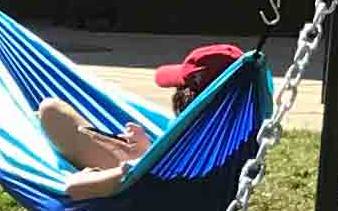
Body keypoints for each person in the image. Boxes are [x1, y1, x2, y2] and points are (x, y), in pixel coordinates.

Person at [36, 45, 245, 200]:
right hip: (166, 178)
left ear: (189, 96)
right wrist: (146, 152)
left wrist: (81, 179)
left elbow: (75, 189)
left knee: (51, 111)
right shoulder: (240, 128)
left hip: (146, 193)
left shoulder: (183, 145)